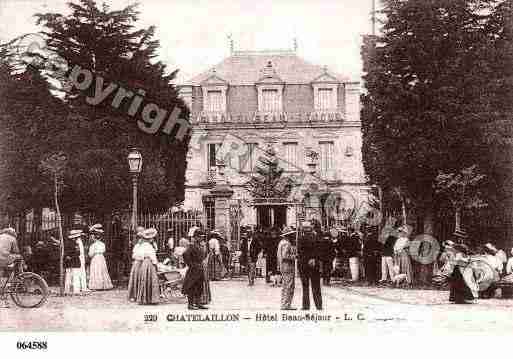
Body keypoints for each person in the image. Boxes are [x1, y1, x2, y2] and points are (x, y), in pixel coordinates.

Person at [298, 221, 323, 310]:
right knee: (316, 286)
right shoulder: (317, 237)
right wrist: (314, 258)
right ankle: (319, 305)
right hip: (314, 265)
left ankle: (306, 306)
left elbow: (300, 252)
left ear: (303, 229)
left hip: (304, 265)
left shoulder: (301, 238)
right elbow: (320, 251)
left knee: (305, 287)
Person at [182, 232, 207, 310]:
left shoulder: (200, 245)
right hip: (194, 269)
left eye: (202, 237)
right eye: (200, 237)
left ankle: (198, 303)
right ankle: (190, 304)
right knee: (191, 287)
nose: (201, 238)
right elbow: (185, 255)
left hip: (200, 268)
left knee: (199, 287)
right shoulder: (191, 246)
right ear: (195, 237)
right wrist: (191, 265)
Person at [135, 228, 160, 305]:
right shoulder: (149, 246)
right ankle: (151, 298)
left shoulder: (142, 246)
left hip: (144, 263)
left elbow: (138, 256)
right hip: (149, 263)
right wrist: (156, 264)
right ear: (150, 239)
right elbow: (153, 257)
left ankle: (144, 298)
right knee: (152, 280)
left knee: (144, 280)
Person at [88, 224, 113, 290]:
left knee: (96, 270)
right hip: (101, 258)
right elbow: (104, 251)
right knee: (102, 270)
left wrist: (91, 255)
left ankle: (96, 286)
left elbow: (90, 254)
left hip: (95, 258)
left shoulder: (93, 245)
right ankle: (103, 285)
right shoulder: (102, 244)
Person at [277, 228, 297, 310]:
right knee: (289, 286)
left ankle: (284, 303)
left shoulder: (281, 242)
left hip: (283, 266)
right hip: (288, 266)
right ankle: (286, 304)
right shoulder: (287, 244)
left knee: (285, 286)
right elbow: (285, 256)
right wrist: (294, 256)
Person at [64, 229, 88, 295]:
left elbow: (65, 253)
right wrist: (72, 257)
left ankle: (67, 290)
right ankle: (76, 290)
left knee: (68, 276)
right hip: (75, 262)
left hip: (68, 262)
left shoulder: (66, 244)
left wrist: (68, 257)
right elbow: (78, 253)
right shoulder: (76, 244)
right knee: (76, 276)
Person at [128, 226, 145, 301]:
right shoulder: (137, 246)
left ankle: (141, 295)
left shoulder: (145, 245)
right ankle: (134, 295)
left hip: (143, 263)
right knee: (136, 278)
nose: (141, 240)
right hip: (138, 263)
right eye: (139, 238)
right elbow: (134, 255)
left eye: (142, 238)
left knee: (142, 278)